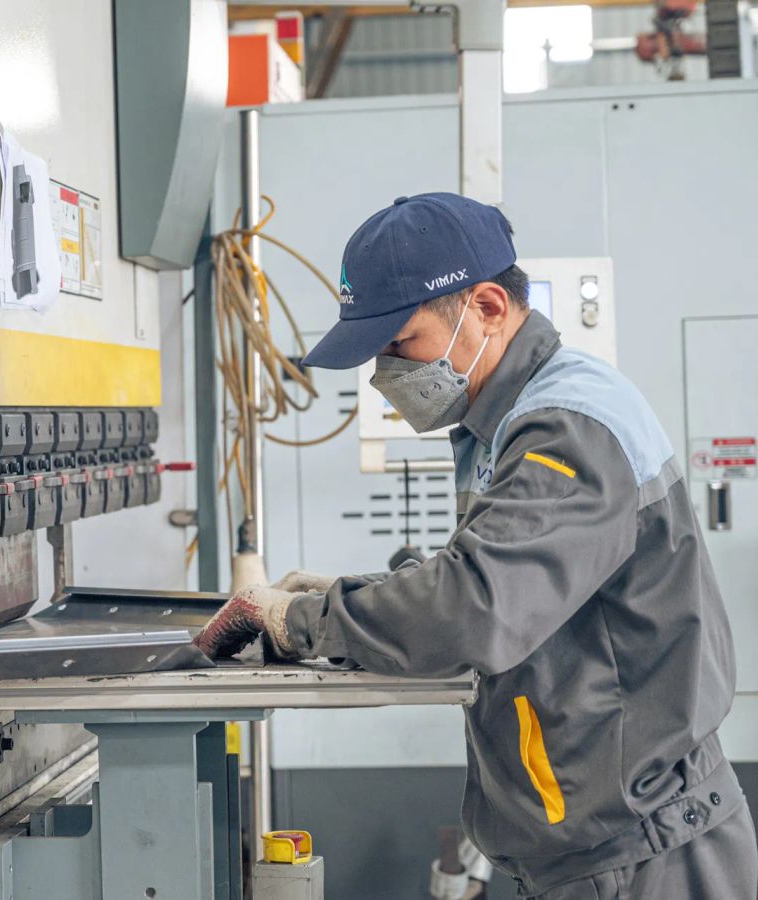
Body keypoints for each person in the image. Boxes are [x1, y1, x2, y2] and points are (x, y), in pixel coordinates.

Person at [192, 192, 758, 898]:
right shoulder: (502, 421)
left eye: (401, 345)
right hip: (597, 847)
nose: (386, 375)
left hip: (646, 856)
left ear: (487, 307)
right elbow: (493, 579)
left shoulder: (566, 427)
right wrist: (347, 595)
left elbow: (474, 608)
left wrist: (302, 619)